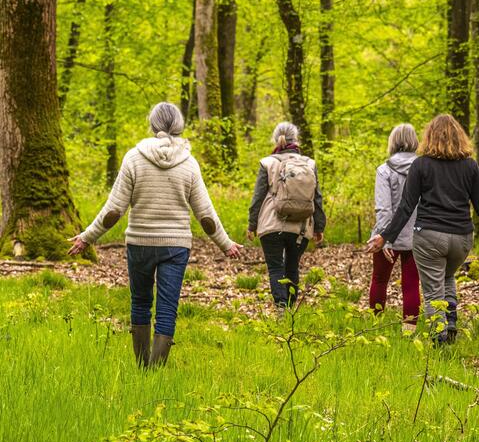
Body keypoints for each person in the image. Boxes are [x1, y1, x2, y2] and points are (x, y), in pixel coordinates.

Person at [68, 102, 240, 367]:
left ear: (152, 124)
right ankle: (155, 372)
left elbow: (114, 210)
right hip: (176, 246)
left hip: (139, 242)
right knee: (167, 308)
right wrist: (226, 244)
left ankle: (141, 366)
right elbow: (205, 215)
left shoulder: (133, 158)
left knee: (140, 302)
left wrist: (86, 237)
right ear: (179, 126)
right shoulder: (189, 164)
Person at [366, 114, 479, 344]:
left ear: (429, 136)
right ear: (460, 137)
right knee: (447, 276)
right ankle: (450, 320)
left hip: (429, 237)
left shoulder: (422, 165)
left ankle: (439, 339)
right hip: (461, 239)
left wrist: (385, 237)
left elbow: (406, 207)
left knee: (432, 290)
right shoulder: (470, 166)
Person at [247, 122, 326, 308]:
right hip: (301, 227)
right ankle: (290, 310)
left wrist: (252, 225)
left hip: (272, 226)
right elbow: (317, 197)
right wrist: (319, 226)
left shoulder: (268, 163)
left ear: (276, 140)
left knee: (275, 268)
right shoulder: (309, 163)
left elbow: (258, 197)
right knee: (292, 267)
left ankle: (280, 308)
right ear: (296, 140)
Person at [369, 123, 421, 320]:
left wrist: (384, 238)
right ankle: (409, 331)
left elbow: (383, 208)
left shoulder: (384, 170)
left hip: (387, 234)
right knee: (411, 283)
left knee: (380, 280)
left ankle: (375, 325)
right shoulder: (423, 168)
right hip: (416, 235)